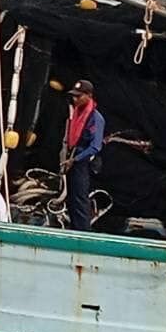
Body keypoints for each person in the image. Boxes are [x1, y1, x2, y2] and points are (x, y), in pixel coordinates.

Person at [62, 79, 105, 232]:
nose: (75, 99)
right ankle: (74, 228)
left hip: (83, 161)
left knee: (80, 199)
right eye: (74, 96)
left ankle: (83, 231)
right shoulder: (77, 113)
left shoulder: (96, 118)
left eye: (79, 96)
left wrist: (76, 159)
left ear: (89, 96)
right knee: (72, 198)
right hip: (72, 158)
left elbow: (95, 146)